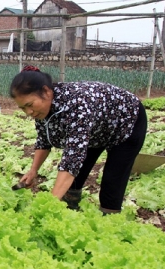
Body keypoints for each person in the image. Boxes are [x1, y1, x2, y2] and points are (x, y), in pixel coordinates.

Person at [10, 65, 147, 214]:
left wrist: (49, 205)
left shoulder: (77, 104)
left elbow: (71, 160)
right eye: (23, 108)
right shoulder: (42, 110)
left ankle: (110, 221)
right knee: (76, 176)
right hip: (97, 129)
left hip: (127, 121)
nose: (28, 112)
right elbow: (44, 140)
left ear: (46, 91)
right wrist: (33, 171)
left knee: (112, 180)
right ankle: (70, 209)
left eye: (30, 105)